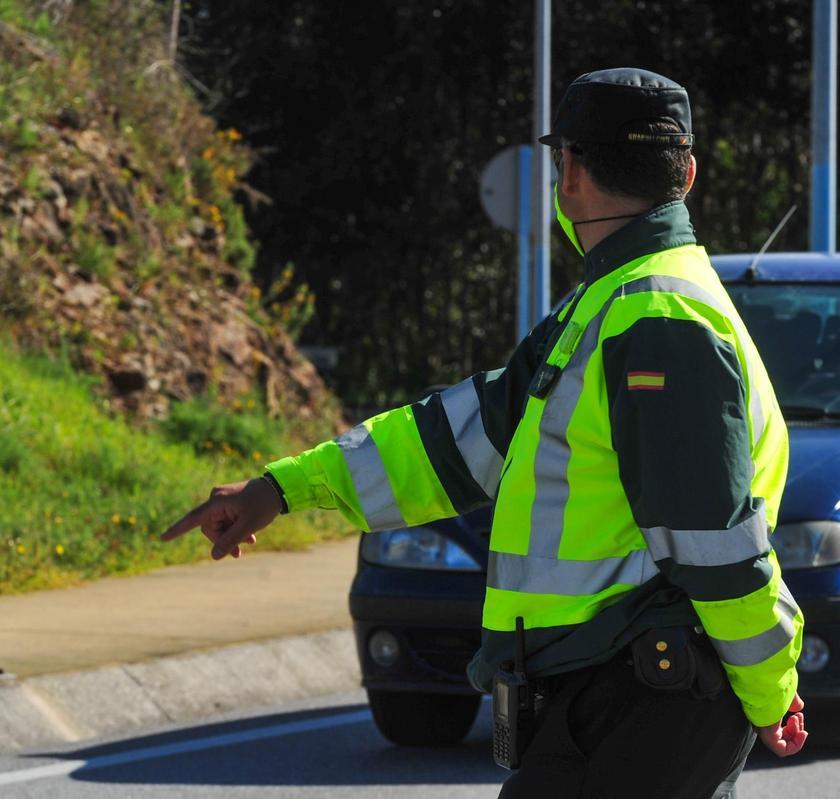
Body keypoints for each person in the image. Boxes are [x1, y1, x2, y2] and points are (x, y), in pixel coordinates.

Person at [162, 67, 806, 798]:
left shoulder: (653, 318)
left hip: (641, 700)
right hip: (625, 699)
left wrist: (768, 689)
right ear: (686, 174)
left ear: (567, 171)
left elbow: (716, 546)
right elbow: (449, 446)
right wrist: (281, 489)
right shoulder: (615, 308)